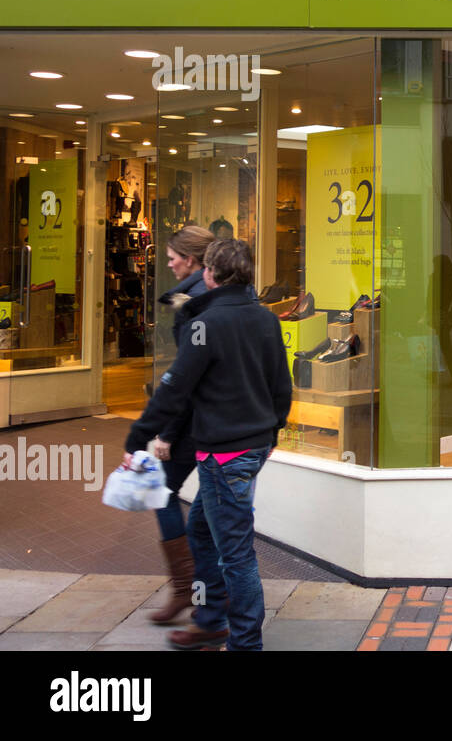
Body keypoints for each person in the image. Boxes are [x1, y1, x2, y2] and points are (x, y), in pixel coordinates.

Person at [125, 239, 291, 650]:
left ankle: (244, 642)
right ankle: (211, 618)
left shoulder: (205, 324)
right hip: (248, 449)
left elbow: (175, 388)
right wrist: (270, 435)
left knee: (236, 554)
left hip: (224, 453)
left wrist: (139, 435)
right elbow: (281, 386)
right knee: (200, 531)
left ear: (210, 274)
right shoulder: (265, 320)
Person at [123, 224, 214, 624]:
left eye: (174, 256)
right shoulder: (224, 295)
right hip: (224, 423)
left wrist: (165, 433)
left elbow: (186, 377)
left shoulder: (192, 303)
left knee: (162, 490)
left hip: (197, 423)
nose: (170, 262)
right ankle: (197, 592)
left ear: (191, 260)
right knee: (208, 513)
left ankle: (188, 589)